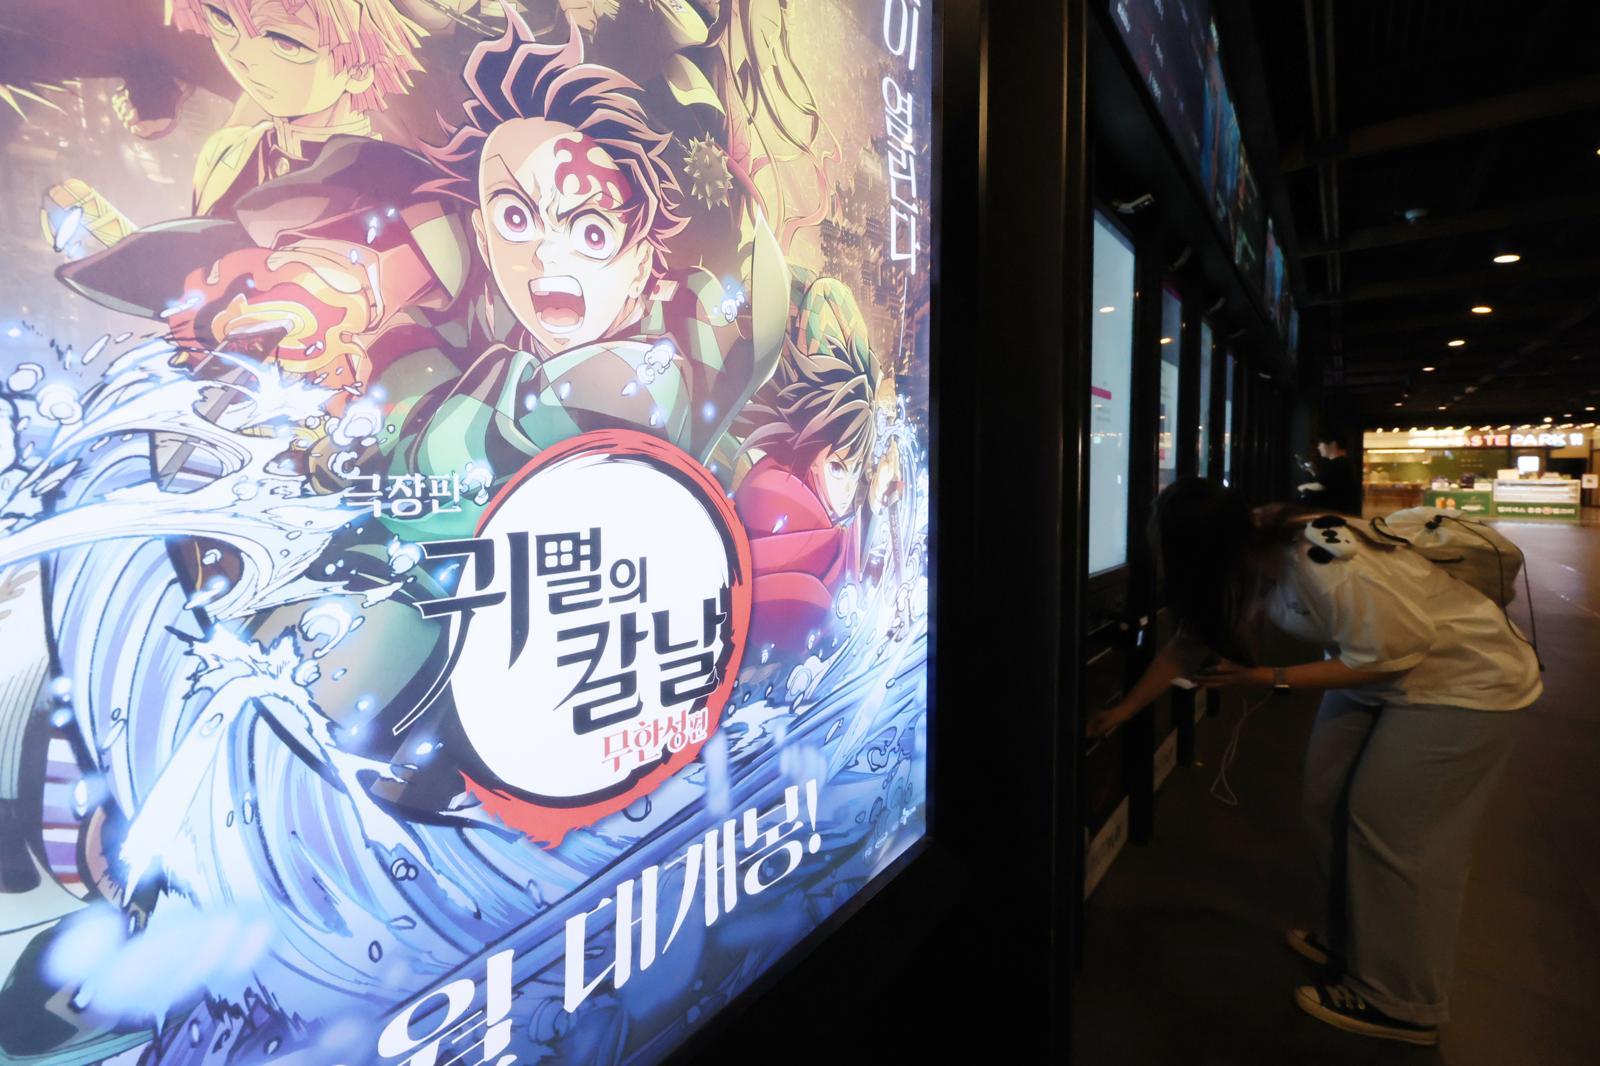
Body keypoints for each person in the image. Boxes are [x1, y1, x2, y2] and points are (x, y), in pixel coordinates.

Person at [1089, 476, 1541, 1047]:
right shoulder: (1250, 548)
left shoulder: (1322, 563)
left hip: (1464, 682)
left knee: (1394, 834)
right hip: (1377, 672)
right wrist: (1122, 711)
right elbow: (1191, 643)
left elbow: (1394, 655)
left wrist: (1268, 677)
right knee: (1327, 800)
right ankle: (1349, 939)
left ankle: (1400, 999)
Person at [1298, 434, 1362, 515]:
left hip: (1333, 513)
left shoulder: (1339, 463)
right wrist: (1312, 470)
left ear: (1333, 444)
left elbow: (1321, 486)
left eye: (1320, 444)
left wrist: (1302, 487)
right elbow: (1326, 482)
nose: (1318, 447)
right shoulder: (1342, 462)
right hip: (1336, 511)